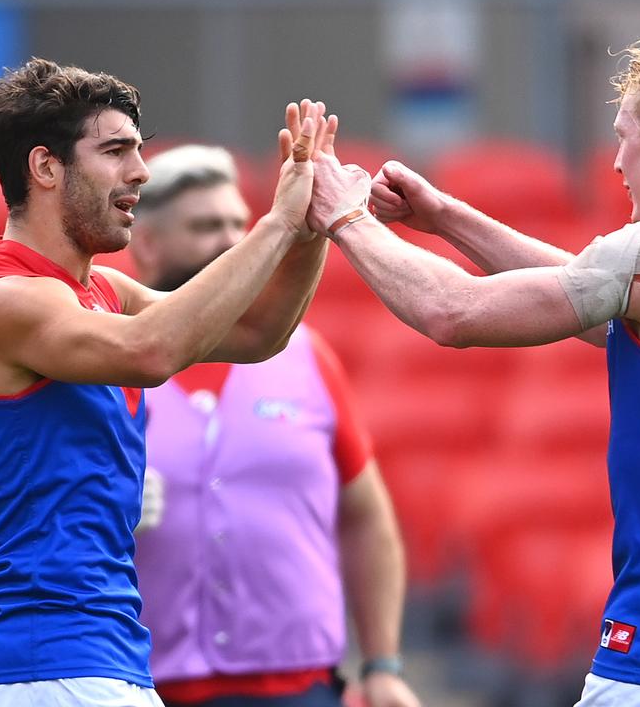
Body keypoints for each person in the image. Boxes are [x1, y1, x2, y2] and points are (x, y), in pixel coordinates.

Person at [304, 33, 640, 707]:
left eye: (624, 135)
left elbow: (450, 312)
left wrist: (345, 216)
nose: (615, 161)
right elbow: (599, 292)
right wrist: (447, 218)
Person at [0, 58, 338, 707]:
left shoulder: (100, 290)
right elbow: (152, 352)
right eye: (116, 151)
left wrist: (310, 226)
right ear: (45, 168)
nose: (141, 173)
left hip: (95, 658)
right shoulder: (3, 298)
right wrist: (275, 224)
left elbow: (260, 333)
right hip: (44, 667)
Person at [125, 145, 421, 707]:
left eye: (239, 223)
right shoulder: (108, 361)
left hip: (297, 685)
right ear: (146, 244)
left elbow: (366, 517)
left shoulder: (307, 358)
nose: (231, 240)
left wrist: (381, 663)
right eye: (206, 226)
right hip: (145, 684)